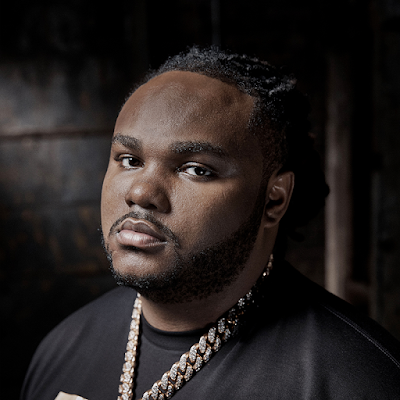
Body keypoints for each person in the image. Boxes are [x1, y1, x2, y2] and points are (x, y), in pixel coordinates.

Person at [21, 47, 400, 400]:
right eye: (130, 160)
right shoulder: (61, 350)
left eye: (197, 169)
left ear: (274, 199)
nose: (140, 192)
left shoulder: (357, 380)